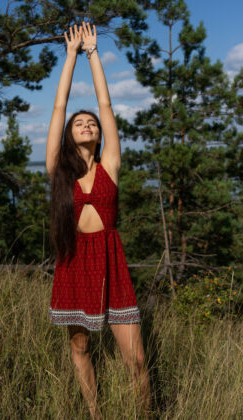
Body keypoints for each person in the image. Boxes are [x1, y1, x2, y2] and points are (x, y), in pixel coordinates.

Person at [45, 21, 151, 419]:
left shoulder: (111, 165)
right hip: (74, 260)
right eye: (80, 123)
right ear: (70, 136)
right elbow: (58, 108)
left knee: (136, 359)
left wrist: (93, 53)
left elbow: (107, 107)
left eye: (91, 123)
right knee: (80, 347)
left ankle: (144, 414)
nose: (88, 124)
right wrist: (69, 56)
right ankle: (95, 413)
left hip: (110, 258)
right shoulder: (59, 171)